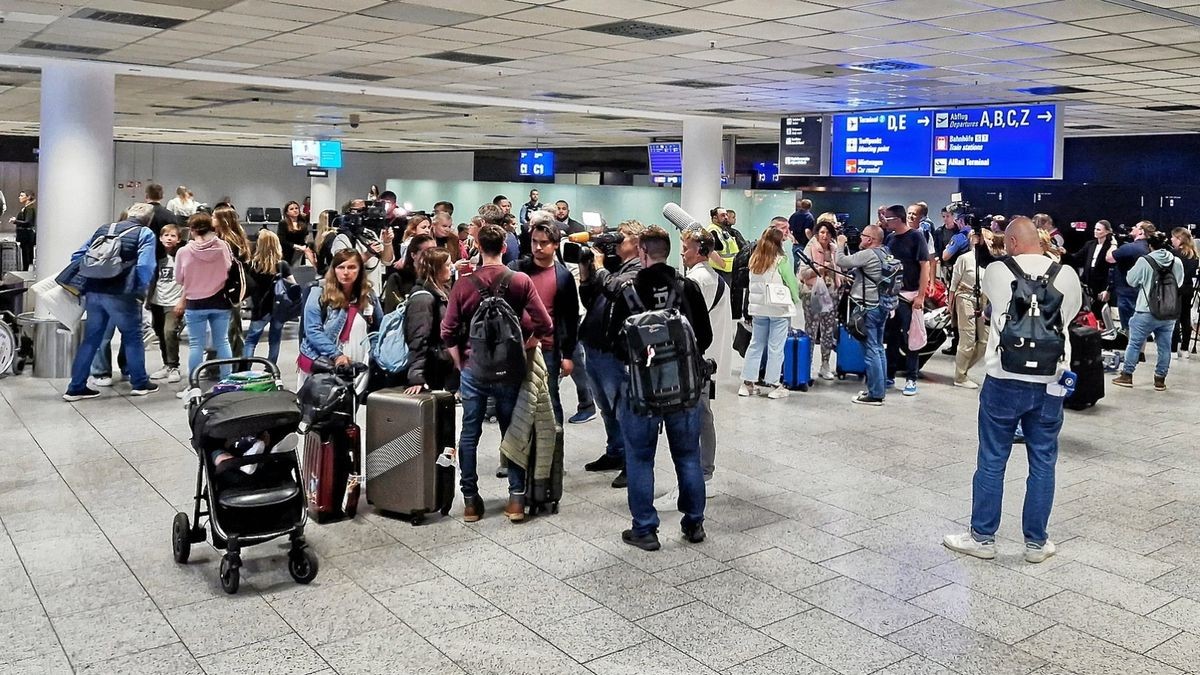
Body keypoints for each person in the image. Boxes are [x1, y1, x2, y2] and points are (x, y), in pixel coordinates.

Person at [943, 217, 1082, 564]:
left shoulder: (997, 271)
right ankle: (1036, 544)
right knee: (1043, 461)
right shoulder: (1066, 275)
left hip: (1004, 378)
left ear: (1014, 244)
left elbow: (991, 309)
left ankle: (983, 538)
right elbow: (1070, 315)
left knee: (992, 459)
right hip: (1051, 382)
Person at [608, 226, 713, 551]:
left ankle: (645, 529)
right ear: (667, 252)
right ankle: (693, 523)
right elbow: (704, 338)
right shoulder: (686, 288)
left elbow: (614, 343)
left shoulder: (628, 291)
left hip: (641, 392)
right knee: (687, 457)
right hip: (684, 391)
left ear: (641, 253)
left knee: (641, 459)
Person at [440, 224, 552, 522]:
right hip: (511, 367)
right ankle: (516, 500)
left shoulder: (464, 283)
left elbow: (448, 331)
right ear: (504, 247)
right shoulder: (520, 280)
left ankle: (470, 502)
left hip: (474, 367)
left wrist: (460, 362)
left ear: (477, 246)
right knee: (512, 430)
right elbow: (545, 323)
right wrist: (530, 343)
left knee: (470, 433)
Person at [62, 203, 159, 401]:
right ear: (148, 220)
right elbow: (145, 265)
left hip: (94, 292)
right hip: (122, 293)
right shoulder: (145, 233)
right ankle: (140, 383)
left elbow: (79, 255)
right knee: (133, 336)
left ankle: (75, 387)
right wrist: (139, 289)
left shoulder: (105, 229)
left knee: (91, 339)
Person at [578, 219, 645, 489]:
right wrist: (586, 270)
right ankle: (615, 452)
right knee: (606, 408)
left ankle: (631, 462)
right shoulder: (612, 267)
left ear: (638, 244)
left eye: (625, 236)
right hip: (594, 345)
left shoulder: (639, 271)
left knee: (622, 409)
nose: (618, 240)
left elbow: (619, 293)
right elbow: (589, 299)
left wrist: (601, 267)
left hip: (614, 350)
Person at [508, 220, 580, 425]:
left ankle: (553, 453)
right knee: (515, 402)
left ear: (555, 244)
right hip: (518, 346)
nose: (538, 247)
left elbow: (570, 318)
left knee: (549, 400)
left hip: (548, 348)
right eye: (534, 242)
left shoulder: (563, 276)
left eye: (544, 242)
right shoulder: (518, 269)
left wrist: (567, 355)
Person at [680, 227, 730, 483]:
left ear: (700, 250)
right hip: (707, 357)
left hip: (698, 359)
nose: (682, 252)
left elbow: (692, 323)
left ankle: (702, 472)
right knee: (702, 412)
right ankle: (703, 470)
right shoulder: (714, 278)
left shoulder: (699, 281)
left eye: (686, 247)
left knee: (699, 413)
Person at [298, 249, 383, 388]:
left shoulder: (369, 295)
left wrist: (373, 355)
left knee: (350, 404)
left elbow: (378, 329)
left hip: (359, 358)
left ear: (360, 270)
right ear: (334, 269)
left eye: (351, 267)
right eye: (341, 267)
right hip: (324, 358)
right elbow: (312, 330)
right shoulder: (319, 292)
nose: (346, 272)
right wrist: (336, 355)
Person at [1112, 232, 1183, 391]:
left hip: (1145, 311)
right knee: (1164, 347)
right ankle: (1160, 380)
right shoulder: (1176, 261)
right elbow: (1179, 281)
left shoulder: (1145, 260)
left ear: (1150, 246)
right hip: (1168, 312)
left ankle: (1127, 376)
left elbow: (1131, 280)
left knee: (1134, 344)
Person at [175, 212, 233, 397]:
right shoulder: (223, 246)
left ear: (191, 230)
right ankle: (227, 382)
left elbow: (178, 278)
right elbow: (229, 269)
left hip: (195, 302)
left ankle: (194, 387)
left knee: (196, 345)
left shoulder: (183, 251)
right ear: (211, 228)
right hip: (220, 300)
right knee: (222, 341)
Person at [740, 228, 800, 399]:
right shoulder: (781, 260)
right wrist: (796, 300)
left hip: (758, 310)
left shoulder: (754, 260)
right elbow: (791, 283)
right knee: (776, 347)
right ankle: (774, 384)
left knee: (756, 344)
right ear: (779, 242)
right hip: (778, 310)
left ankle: (747, 383)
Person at [880, 203, 931, 396]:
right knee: (891, 336)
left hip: (911, 296)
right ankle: (890, 374)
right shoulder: (891, 239)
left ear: (898, 219)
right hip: (893, 297)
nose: (886, 222)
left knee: (912, 338)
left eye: (889, 218)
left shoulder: (916, 236)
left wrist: (921, 295)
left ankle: (911, 378)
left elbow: (925, 266)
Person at [838, 225, 892, 405]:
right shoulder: (885, 252)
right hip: (882, 306)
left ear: (870, 239)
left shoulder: (868, 254)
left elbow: (842, 261)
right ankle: (879, 387)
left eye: (863, 236)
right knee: (878, 348)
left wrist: (840, 244)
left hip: (867, 307)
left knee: (870, 350)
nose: (860, 238)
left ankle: (875, 394)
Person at [402, 248, 455, 394]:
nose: (451, 267)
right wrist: (417, 376)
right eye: (447, 264)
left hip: (442, 368)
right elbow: (418, 338)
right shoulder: (423, 299)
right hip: (431, 371)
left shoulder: (442, 292)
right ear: (436, 269)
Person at [243, 229, 295, 364]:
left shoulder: (252, 265)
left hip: (260, 308)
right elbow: (293, 285)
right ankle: (271, 370)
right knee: (274, 340)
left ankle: (245, 369)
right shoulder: (282, 265)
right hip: (278, 307)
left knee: (251, 340)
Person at [799, 220, 840, 380]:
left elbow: (841, 270)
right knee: (811, 330)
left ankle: (825, 364)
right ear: (817, 234)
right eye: (822, 232)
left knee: (828, 331)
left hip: (831, 294)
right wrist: (820, 269)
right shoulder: (810, 248)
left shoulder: (835, 250)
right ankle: (807, 365)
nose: (825, 236)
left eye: (828, 233)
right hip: (812, 294)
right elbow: (803, 273)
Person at [147, 224, 185, 384]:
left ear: (178, 239)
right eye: (166, 235)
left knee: (170, 332)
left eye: (173, 236)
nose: (169, 238)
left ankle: (174, 365)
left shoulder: (182, 256)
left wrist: (183, 300)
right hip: (157, 301)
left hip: (174, 301)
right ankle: (166, 364)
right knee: (160, 333)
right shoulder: (155, 256)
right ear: (160, 238)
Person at [950, 231, 987, 389]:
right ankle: (960, 376)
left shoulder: (989, 260)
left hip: (985, 299)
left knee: (984, 340)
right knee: (968, 339)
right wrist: (949, 305)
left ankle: (963, 369)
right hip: (965, 297)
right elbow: (954, 283)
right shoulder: (964, 259)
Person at [213, 206, 251, 356]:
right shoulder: (233, 239)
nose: (211, 220)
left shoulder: (227, 242)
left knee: (231, 328)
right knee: (231, 327)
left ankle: (234, 362)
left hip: (229, 288)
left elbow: (226, 267)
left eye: (214, 217)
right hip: (231, 288)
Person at [1106, 220, 1154, 332]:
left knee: (1129, 327)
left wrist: (1113, 244)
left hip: (1127, 292)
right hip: (1143, 292)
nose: (1133, 227)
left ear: (1141, 232)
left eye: (1136, 226)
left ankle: (1130, 347)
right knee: (1139, 327)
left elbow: (1109, 258)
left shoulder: (1130, 248)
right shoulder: (1149, 248)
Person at [1068, 220, 1116, 322]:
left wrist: (1108, 289)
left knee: (1100, 312)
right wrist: (1065, 253)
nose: (1095, 231)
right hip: (1087, 281)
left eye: (1098, 229)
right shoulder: (1090, 244)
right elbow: (1076, 257)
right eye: (1095, 228)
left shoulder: (1110, 247)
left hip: (1101, 284)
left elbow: (1112, 269)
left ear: (1107, 232)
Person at [382, 233, 435, 313]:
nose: (432, 256)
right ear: (413, 255)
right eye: (427, 252)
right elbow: (392, 312)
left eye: (435, 251)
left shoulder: (437, 276)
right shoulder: (397, 278)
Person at [1170, 227, 1198, 357]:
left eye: (1173, 237)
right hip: (1188, 288)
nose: (1171, 239)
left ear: (1179, 239)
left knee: (1174, 319)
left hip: (1176, 288)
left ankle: (1173, 349)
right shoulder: (1194, 254)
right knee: (1185, 318)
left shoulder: (1174, 254)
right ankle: (1185, 349)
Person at [278, 200, 311, 267]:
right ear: (287, 212)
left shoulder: (302, 222)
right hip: (287, 251)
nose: (295, 210)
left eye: (296, 208)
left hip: (300, 251)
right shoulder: (283, 223)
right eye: (291, 209)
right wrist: (296, 246)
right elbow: (282, 240)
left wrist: (304, 246)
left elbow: (306, 237)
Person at [9, 189, 35, 270]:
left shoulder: (29, 208)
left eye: (22, 196)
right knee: (25, 254)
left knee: (26, 255)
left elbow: (28, 222)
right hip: (25, 235)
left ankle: (25, 271)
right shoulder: (27, 208)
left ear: (28, 197)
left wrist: (15, 221)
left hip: (26, 235)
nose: (19, 197)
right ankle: (25, 270)